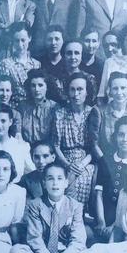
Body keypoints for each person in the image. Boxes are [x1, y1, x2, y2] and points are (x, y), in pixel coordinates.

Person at [11, 161, 88, 253]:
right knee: (16, 251)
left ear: (66, 182)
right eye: (50, 179)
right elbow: (34, 238)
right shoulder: (35, 204)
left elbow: (78, 240)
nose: (55, 183)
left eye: (59, 178)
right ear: (44, 183)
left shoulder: (75, 206)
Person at [51, 74, 102, 206]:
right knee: (64, 179)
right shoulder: (60, 114)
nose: (76, 94)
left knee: (87, 176)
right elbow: (56, 146)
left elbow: (94, 145)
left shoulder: (92, 113)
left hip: (86, 160)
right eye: (72, 89)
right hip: (64, 160)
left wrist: (83, 163)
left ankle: (82, 214)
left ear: (87, 92)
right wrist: (68, 164)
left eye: (80, 89)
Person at [92, 117, 127, 240]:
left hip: (126, 219)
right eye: (121, 135)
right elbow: (99, 194)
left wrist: (115, 226)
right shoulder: (106, 160)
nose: (125, 139)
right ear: (115, 137)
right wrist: (101, 222)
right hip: (104, 215)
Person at [97, 71, 127, 158]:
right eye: (115, 88)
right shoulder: (100, 112)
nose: (119, 92)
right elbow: (95, 144)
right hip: (105, 161)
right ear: (110, 90)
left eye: (123, 88)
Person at [0, 22, 40, 106]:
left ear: (29, 38)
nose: (20, 45)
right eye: (17, 41)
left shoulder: (37, 64)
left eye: (23, 40)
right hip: (13, 108)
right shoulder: (5, 64)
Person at [17, 69, 56, 147]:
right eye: (33, 86)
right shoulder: (22, 107)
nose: (37, 89)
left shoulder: (54, 107)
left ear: (47, 87)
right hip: (26, 149)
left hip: (47, 151)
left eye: (40, 85)